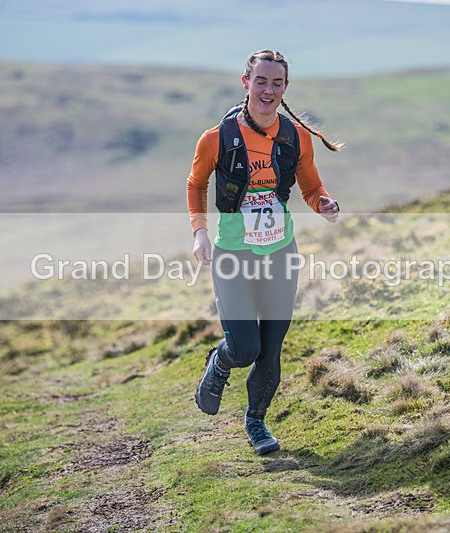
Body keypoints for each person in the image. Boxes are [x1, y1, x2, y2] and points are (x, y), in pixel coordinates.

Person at [186, 49, 341, 455]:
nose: (268, 90)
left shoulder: (296, 137)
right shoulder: (217, 138)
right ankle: (220, 362)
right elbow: (195, 184)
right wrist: (200, 233)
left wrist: (323, 203)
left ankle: (256, 422)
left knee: (270, 350)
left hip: (280, 252)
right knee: (245, 348)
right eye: (261, 81)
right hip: (233, 253)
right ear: (246, 82)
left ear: (285, 87)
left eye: (276, 83)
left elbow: (311, 187)